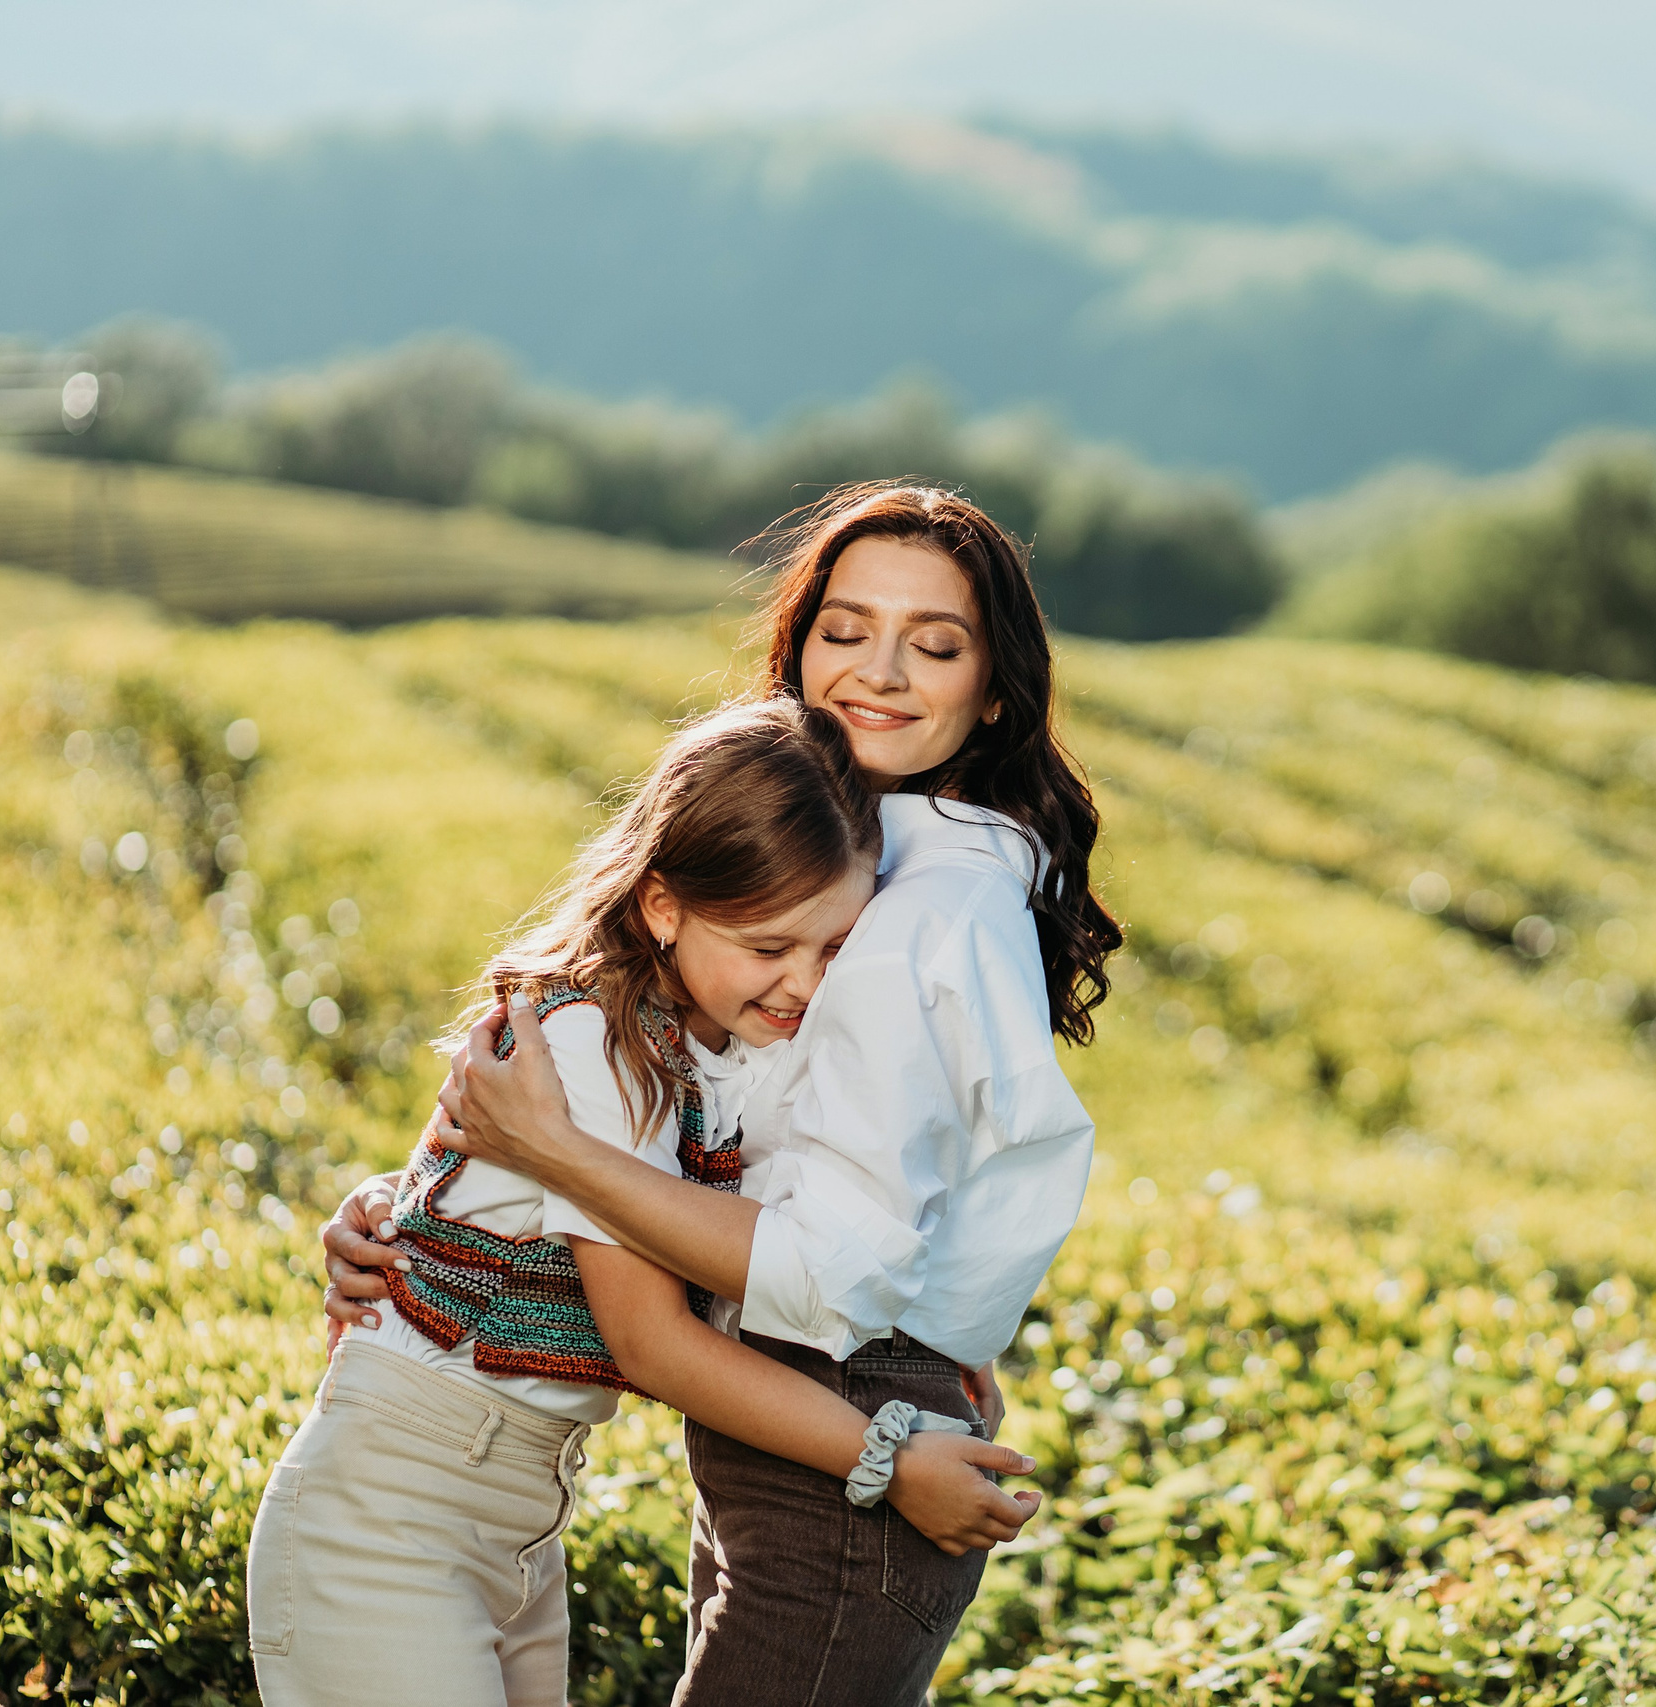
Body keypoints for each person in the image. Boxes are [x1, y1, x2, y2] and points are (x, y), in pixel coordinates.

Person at [320, 484, 1122, 1705]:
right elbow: (702, 1114)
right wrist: (423, 1208)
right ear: (796, 647)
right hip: (799, 1414)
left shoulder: (918, 910)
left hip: (839, 1406)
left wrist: (552, 1154)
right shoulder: (854, 856)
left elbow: (826, 1270)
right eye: (844, 630)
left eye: (934, 645)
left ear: (995, 687)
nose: (879, 673)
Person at [249, 698, 1037, 1707]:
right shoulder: (592, 1042)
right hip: (390, 1515)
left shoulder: (708, 1048)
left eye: (833, 948)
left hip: (514, 1521)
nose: (804, 984)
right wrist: (891, 1455)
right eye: (768, 947)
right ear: (663, 906)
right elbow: (653, 1344)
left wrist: (951, 1326)